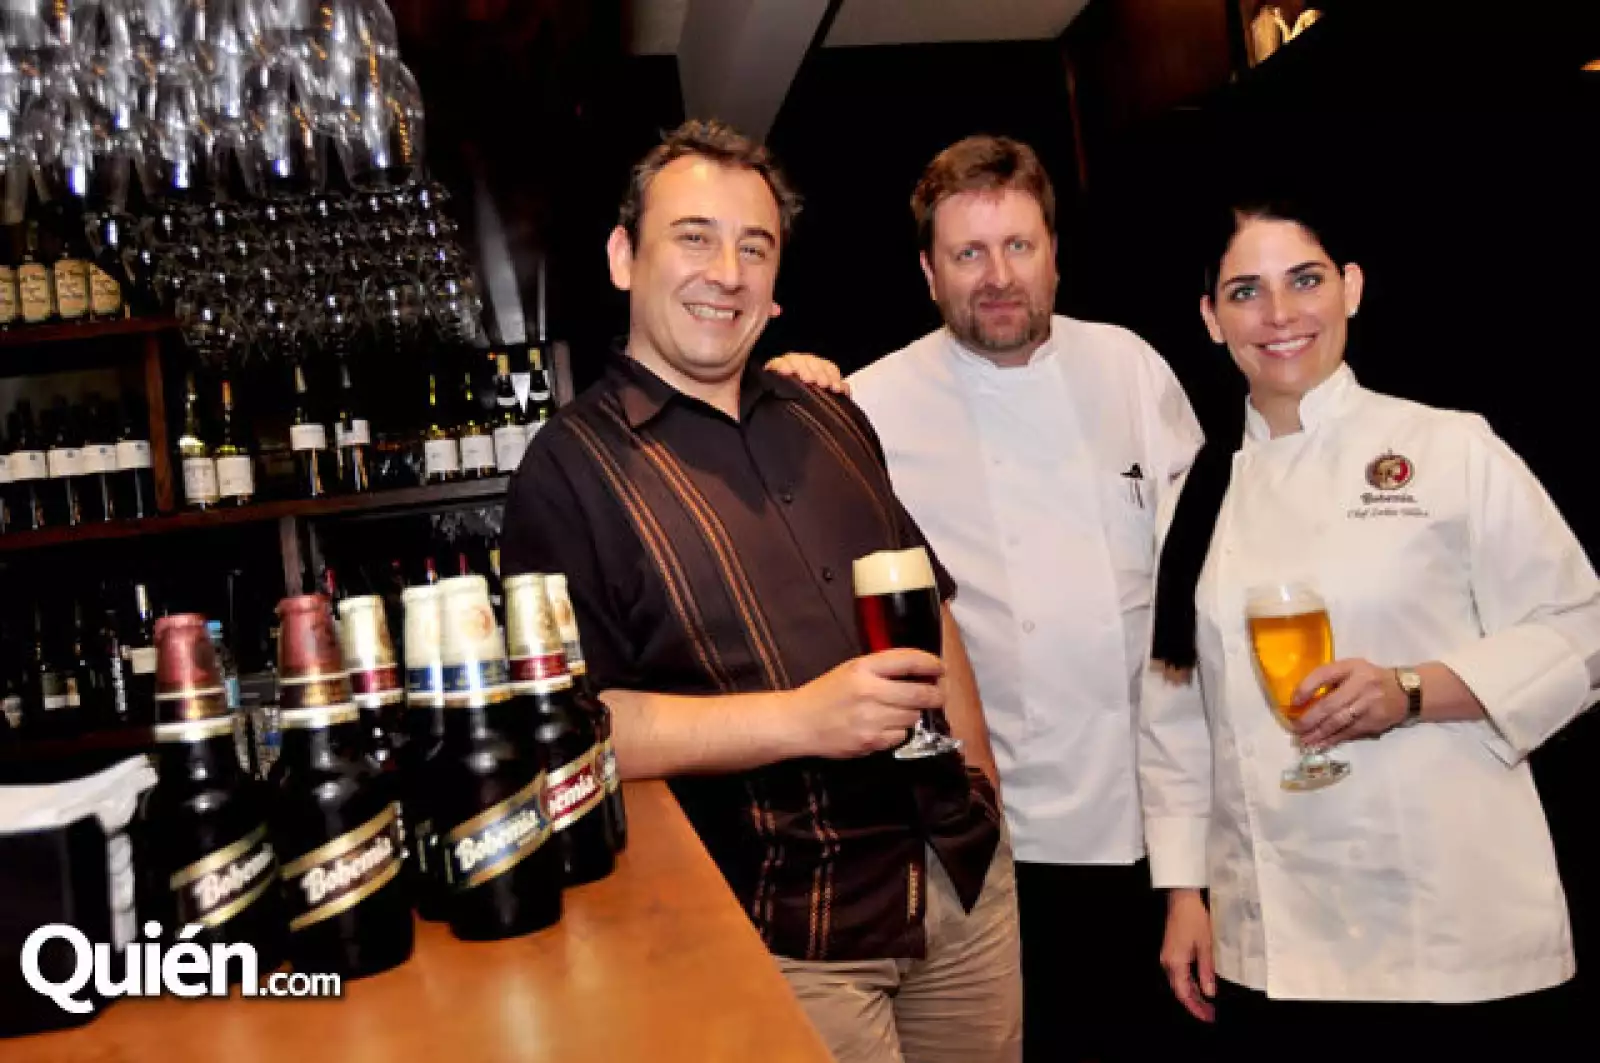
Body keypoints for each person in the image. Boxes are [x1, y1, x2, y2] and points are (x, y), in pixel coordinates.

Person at [500, 119, 1021, 1063]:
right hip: (789, 932)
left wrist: (984, 791)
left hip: (958, 881)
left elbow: (931, 607)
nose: (727, 271)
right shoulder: (565, 473)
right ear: (624, 257)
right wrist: (802, 719)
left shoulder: (829, 415)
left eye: (755, 246)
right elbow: (576, 732)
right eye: (693, 236)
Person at [770, 135, 1203, 1062]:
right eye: (969, 253)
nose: (998, 276)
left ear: (1055, 252)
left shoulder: (1130, 367)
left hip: (1147, 820)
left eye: (1018, 246)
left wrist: (1193, 856)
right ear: (929, 271)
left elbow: (1197, 580)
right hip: (985, 841)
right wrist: (789, 387)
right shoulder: (870, 404)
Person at [1141, 197, 1600, 1054]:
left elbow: (1581, 626)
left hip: (1450, 923)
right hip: (1271, 936)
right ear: (1211, 319)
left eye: (1305, 280)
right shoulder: (1195, 496)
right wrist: (1183, 891)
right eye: (1245, 291)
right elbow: (1174, 715)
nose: (1278, 315)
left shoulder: (1451, 448)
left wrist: (1410, 691)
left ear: (1350, 288)